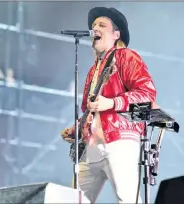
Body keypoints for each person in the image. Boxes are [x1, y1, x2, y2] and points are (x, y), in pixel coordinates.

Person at [61, 7, 157, 203]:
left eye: (102, 25)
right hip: (92, 146)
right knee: (71, 200)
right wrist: (79, 127)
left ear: (116, 34)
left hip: (120, 141)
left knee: (128, 199)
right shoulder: (92, 70)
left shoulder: (126, 56)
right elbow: (93, 109)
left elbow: (147, 94)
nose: (95, 28)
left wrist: (112, 102)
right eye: (93, 25)